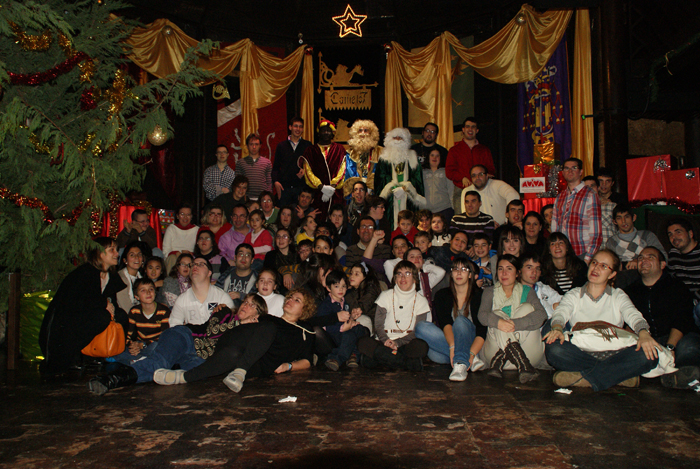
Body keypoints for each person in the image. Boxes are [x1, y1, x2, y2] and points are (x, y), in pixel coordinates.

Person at [87, 293, 263, 394]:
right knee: (159, 363)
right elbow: (212, 332)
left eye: (251, 305)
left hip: (199, 360)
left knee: (164, 370)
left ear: (258, 314)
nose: (245, 306)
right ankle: (111, 380)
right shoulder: (224, 311)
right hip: (186, 337)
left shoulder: (252, 334)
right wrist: (239, 324)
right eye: (245, 302)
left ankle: (124, 360)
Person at [154, 289, 316, 393]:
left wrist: (288, 366)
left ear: (305, 309)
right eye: (290, 297)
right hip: (235, 341)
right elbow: (240, 328)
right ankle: (236, 373)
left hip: (254, 363)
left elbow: (307, 361)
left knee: (233, 355)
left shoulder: (304, 332)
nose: (290, 300)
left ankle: (184, 377)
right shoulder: (267, 318)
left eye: (297, 300)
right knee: (268, 328)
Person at [543, 249, 662, 390]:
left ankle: (583, 377)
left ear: (612, 274)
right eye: (594, 263)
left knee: (649, 354)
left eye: (604, 266)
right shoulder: (574, 294)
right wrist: (557, 328)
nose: (596, 268)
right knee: (554, 350)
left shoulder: (618, 295)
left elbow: (633, 314)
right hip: (581, 351)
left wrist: (643, 333)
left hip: (614, 352)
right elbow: (561, 312)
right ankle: (617, 375)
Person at [39, 237, 127, 376]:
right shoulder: (84, 273)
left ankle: (101, 354)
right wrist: (104, 303)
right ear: (99, 253)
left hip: (87, 316)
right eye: (112, 250)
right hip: (66, 323)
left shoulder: (111, 275)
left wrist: (111, 307)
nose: (117, 254)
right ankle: (75, 355)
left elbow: (110, 301)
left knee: (121, 316)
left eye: (116, 250)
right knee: (101, 317)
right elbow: (75, 302)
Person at [624, 246, 700, 388]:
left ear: (662, 264)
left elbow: (682, 320)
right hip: (648, 339)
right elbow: (628, 322)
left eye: (650, 257)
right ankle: (670, 374)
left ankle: (682, 374)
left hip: (676, 338)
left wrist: (670, 347)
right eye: (640, 258)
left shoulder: (676, 286)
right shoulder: (630, 290)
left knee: (688, 348)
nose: (643, 260)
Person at [479, 254, 547, 383]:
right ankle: (524, 366)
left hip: (527, 353)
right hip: (493, 352)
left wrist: (514, 324)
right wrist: (499, 322)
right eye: (500, 269)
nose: (504, 273)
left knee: (527, 308)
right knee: (497, 314)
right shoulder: (489, 292)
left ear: (517, 273)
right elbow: (482, 315)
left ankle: (503, 358)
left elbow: (542, 315)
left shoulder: (527, 291)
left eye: (509, 268)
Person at [415, 257, 486, 381]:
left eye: (464, 269)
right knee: (421, 328)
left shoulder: (479, 295)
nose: (459, 273)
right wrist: (453, 347)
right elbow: (445, 323)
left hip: (473, 341)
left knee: (460, 321)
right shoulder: (442, 295)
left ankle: (461, 362)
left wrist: (472, 352)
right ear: (451, 274)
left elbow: (481, 329)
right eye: (455, 269)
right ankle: (467, 359)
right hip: (451, 343)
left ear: (470, 275)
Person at [357, 261, 430, 371]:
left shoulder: (421, 301)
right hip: (383, 342)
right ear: (395, 278)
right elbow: (378, 324)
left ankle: (378, 360)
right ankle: (407, 363)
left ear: (415, 278)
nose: (403, 277)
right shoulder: (385, 295)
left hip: (406, 344)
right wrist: (385, 340)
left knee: (421, 346)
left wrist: (398, 342)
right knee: (363, 342)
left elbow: (418, 330)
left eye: (407, 273)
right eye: (399, 274)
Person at [551, 157, 602, 264]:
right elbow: (555, 228)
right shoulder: (560, 197)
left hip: (582, 253)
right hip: (563, 254)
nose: (570, 171)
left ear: (581, 172)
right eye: (566, 168)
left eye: (574, 168)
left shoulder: (590, 195)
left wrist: (588, 258)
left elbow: (596, 232)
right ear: (563, 172)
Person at [318, 269, 370, 371]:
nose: (341, 289)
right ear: (329, 288)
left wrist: (352, 318)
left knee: (361, 329)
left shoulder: (344, 302)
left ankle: (353, 354)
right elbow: (324, 324)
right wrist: (342, 328)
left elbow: (345, 318)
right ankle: (336, 358)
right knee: (349, 335)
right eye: (336, 286)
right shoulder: (326, 304)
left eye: (344, 286)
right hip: (333, 333)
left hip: (344, 331)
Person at [110, 278, 171, 366]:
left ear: (155, 292)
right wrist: (132, 345)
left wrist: (143, 345)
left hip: (154, 345)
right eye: (143, 290)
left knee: (156, 347)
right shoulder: (134, 311)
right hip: (139, 346)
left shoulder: (164, 311)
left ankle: (137, 360)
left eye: (151, 289)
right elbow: (128, 334)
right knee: (119, 351)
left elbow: (165, 337)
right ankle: (141, 360)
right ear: (136, 296)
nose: (148, 292)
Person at [375, 127, 427, 229]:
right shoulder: (384, 158)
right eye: (395, 138)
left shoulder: (412, 158)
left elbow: (417, 179)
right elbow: (380, 178)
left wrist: (405, 188)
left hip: (408, 199)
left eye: (401, 138)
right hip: (390, 200)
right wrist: (392, 187)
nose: (398, 141)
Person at [605, 203, 666, 288]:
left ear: (634, 218)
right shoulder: (612, 242)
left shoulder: (647, 236)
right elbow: (609, 265)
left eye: (627, 217)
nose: (623, 221)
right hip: (622, 277)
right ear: (614, 221)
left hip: (645, 274)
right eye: (619, 218)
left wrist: (639, 261)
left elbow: (664, 257)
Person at [298, 119, 346, 221]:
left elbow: (343, 170)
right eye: (323, 130)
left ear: (332, 133)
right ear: (318, 133)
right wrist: (322, 187)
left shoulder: (339, 149)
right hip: (317, 194)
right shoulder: (310, 150)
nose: (326, 133)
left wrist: (331, 188)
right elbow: (308, 172)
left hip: (335, 194)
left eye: (328, 131)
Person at [446, 117, 497, 211]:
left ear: (477, 130)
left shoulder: (484, 150)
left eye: (473, 127)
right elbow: (449, 172)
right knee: (461, 220)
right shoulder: (454, 150)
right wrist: (462, 178)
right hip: (461, 190)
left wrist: (484, 176)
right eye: (468, 126)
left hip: (482, 190)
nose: (470, 129)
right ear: (463, 129)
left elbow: (491, 169)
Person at [665, 218, 700, 327]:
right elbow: (670, 281)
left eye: (678, 232)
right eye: (670, 234)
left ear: (690, 234)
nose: (674, 237)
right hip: (685, 304)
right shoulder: (673, 255)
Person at [273, 117, 313, 207]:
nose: (298, 129)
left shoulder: (308, 145)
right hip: (284, 188)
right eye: (295, 126)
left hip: (301, 189)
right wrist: (276, 182)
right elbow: (275, 168)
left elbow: (313, 166)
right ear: (290, 127)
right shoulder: (281, 146)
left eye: (300, 127)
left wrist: (305, 170)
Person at [519, 252, 562, 320]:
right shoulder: (515, 291)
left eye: (537, 268)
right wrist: (553, 308)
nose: (534, 272)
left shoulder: (544, 288)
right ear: (519, 270)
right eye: (529, 267)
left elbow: (563, 300)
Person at [344, 119, 382, 196]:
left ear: (372, 133)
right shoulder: (349, 153)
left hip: (374, 192)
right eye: (360, 130)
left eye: (366, 130)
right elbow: (348, 173)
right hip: (356, 192)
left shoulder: (380, 152)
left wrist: (370, 184)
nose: (363, 133)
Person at [345, 262, 382, 335]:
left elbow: (363, 307)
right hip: (353, 319)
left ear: (365, 277)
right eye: (351, 273)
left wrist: (354, 312)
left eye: (357, 274)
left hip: (370, 323)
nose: (352, 276)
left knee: (362, 319)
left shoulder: (370, 290)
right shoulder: (349, 292)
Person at [216, 243, 257, 309]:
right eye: (241, 254)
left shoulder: (258, 279)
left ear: (252, 260)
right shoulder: (225, 275)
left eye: (247, 255)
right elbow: (215, 293)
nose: (243, 258)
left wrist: (241, 296)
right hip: (225, 311)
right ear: (235, 258)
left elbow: (260, 300)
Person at [162, 203, 198, 272]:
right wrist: (177, 253)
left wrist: (189, 254)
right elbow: (166, 251)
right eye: (182, 214)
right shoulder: (171, 229)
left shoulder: (196, 230)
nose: (185, 217)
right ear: (177, 216)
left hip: (190, 259)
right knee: (172, 258)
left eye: (188, 215)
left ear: (191, 216)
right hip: (174, 259)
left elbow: (199, 251)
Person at [235, 134, 272, 200]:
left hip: (262, 199)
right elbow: (237, 182)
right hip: (246, 198)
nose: (254, 147)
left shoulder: (267, 162)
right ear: (247, 146)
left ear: (260, 146)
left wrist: (268, 198)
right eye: (251, 144)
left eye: (256, 144)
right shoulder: (240, 163)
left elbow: (269, 182)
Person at [423, 147, 455, 222]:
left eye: (437, 156)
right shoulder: (422, 173)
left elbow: (451, 191)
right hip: (427, 212)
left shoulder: (446, 172)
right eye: (432, 155)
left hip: (444, 209)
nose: (435, 158)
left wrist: (453, 209)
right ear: (428, 157)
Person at [116, 241, 144, 313]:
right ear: (125, 260)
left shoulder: (142, 278)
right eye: (132, 255)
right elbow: (125, 307)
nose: (137, 257)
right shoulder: (120, 278)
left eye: (139, 254)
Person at [242, 209, 273, 273]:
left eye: (257, 220)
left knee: (250, 269)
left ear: (263, 221)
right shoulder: (248, 235)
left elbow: (268, 248)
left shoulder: (265, 233)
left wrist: (251, 251)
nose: (254, 222)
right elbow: (244, 248)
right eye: (252, 220)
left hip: (261, 260)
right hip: (249, 260)